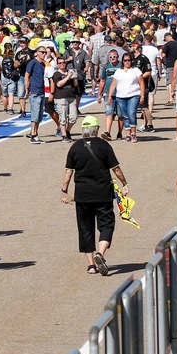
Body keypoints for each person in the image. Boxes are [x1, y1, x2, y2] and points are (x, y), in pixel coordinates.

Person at [60, 115, 129, 275]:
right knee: (106, 224)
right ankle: (101, 253)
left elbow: (68, 172)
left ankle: (91, 265)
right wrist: (124, 183)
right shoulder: (103, 146)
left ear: (84, 130)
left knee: (85, 228)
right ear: (96, 129)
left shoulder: (75, 147)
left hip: (82, 194)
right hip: (102, 192)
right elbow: (116, 169)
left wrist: (64, 191)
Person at [108, 54, 145, 144]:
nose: (127, 62)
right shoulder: (118, 71)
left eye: (129, 60)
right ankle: (127, 134)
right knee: (125, 116)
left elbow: (142, 83)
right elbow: (113, 84)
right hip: (120, 96)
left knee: (131, 113)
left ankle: (133, 133)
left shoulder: (135, 70)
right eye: (125, 60)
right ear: (122, 61)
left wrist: (142, 95)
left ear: (131, 61)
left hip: (133, 95)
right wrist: (109, 95)